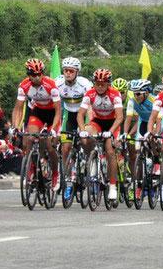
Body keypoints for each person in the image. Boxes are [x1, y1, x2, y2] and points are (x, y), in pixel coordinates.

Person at [11, 58, 61, 189]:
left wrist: (54, 129)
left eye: (40, 74)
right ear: (28, 75)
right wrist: (15, 127)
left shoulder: (51, 85)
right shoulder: (24, 86)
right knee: (29, 138)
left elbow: (58, 111)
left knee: (49, 145)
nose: (37, 77)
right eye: (34, 75)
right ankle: (31, 169)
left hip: (52, 114)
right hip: (37, 112)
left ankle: (55, 173)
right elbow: (18, 109)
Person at [77, 68, 124, 201]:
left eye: (103, 84)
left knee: (110, 151)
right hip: (97, 121)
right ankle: (92, 160)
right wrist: (83, 130)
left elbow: (120, 117)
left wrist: (111, 131)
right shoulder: (90, 94)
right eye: (97, 84)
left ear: (108, 84)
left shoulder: (115, 94)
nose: (100, 87)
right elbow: (80, 114)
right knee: (85, 139)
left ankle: (113, 186)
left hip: (112, 123)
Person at [55, 57, 92, 199]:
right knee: (65, 148)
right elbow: (55, 108)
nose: (68, 73)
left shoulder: (85, 84)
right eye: (65, 71)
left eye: (71, 71)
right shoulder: (58, 84)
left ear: (77, 72)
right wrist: (56, 128)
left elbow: (89, 107)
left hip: (84, 114)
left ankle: (90, 164)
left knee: (85, 141)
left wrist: (87, 126)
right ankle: (68, 182)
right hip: (69, 115)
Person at [124, 78, 156, 200]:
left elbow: (158, 121)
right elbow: (128, 118)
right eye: (134, 93)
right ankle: (139, 184)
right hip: (143, 123)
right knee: (138, 151)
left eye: (138, 93)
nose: (135, 96)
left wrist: (153, 134)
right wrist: (125, 134)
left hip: (156, 122)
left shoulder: (154, 100)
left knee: (153, 140)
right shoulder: (132, 101)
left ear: (146, 92)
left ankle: (156, 160)